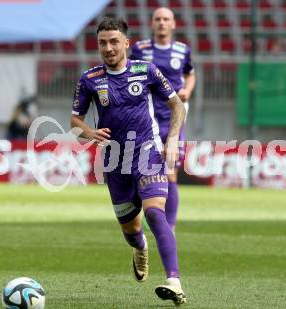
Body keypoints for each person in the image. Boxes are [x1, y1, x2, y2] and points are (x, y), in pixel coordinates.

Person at [70, 17, 187, 305]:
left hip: (147, 153)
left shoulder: (145, 70)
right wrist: (88, 132)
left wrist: (172, 139)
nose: (108, 48)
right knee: (132, 231)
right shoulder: (89, 79)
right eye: (102, 43)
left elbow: (177, 106)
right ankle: (140, 247)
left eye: (113, 41)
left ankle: (174, 280)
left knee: (154, 213)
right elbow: (75, 120)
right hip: (114, 162)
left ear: (126, 43)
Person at [130, 7, 196, 232]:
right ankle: (141, 218)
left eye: (166, 19)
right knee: (143, 170)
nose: (162, 23)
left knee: (169, 171)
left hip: (172, 119)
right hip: (147, 117)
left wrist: (187, 89)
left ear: (173, 24)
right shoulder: (140, 49)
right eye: (158, 19)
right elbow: (128, 73)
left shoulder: (182, 51)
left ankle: (171, 226)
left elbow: (190, 74)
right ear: (152, 23)